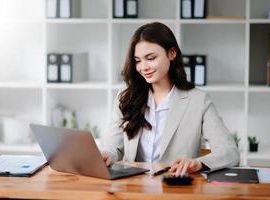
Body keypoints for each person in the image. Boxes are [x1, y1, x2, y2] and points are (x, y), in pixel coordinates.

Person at [100, 22, 239, 176]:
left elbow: (230, 152)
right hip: (132, 188)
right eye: (138, 60)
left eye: (150, 58)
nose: (143, 67)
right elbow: (113, 146)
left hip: (175, 188)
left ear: (171, 53)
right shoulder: (125, 97)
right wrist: (107, 154)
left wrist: (198, 163)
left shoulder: (198, 100)